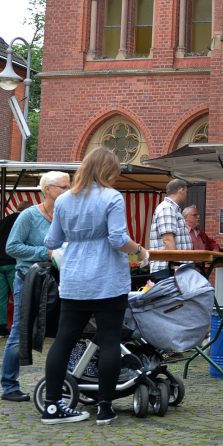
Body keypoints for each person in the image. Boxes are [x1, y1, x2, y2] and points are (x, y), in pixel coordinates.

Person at [42, 147, 150, 425]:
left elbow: (51, 242)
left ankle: (52, 405)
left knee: (63, 341)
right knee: (110, 341)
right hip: (107, 280)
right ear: (108, 171)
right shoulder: (112, 197)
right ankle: (104, 408)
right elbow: (117, 239)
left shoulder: (64, 200)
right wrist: (139, 250)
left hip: (75, 280)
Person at [2, 174, 70, 403]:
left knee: (64, 331)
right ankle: (9, 385)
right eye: (63, 187)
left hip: (58, 281)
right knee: (20, 332)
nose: (68, 190)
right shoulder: (29, 216)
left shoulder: (65, 215)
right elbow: (12, 247)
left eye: (69, 186)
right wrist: (46, 253)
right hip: (29, 280)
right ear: (47, 189)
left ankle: (66, 383)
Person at [0, 201, 32, 337]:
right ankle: (20, 328)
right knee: (19, 297)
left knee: (1, 298)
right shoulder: (23, 221)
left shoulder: (4, 220)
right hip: (13, 263)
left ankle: (1, 328)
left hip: (0, 263)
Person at [148, 178, 192, 273]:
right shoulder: (166, 208)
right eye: (186, 191)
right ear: (181, 190)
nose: (186, 195)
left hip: (172, 267)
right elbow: (168, 240)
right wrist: (176, 266)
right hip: (168, 268)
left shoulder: (172, 209)